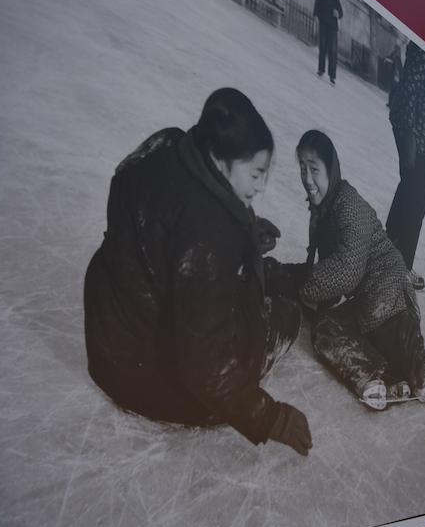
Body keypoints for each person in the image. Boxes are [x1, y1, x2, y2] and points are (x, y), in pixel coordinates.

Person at [84, 88, 311, 456]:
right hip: (150, 379)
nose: (261, 186)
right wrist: (271, 418)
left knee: (241, 291)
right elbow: (205, 362)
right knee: (284, 315)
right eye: (255, 173)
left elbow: (165, 214)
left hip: (110, 338)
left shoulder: (166, 144)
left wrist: (244, 229)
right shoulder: (208, 233)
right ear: (220, 158)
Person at [293, 130, 425, 410]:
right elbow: (329, 276)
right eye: (302, 168)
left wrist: (300, 286)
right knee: (324, 328)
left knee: (417, 369)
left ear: (330, 169)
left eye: (314, 169)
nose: (307, 179)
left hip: (391, 296)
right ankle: (378, 376)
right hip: (366, 304)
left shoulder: (348, 205)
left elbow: (346, 269)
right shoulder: (323, 209)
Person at [386, 41, 425, 291]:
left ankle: (388, 254)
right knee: (416, 202)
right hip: (415, 130)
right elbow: (409, 89)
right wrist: (409, 134)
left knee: (409, 190)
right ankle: (400, 268)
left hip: (420, 130)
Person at [313, 0, 343, 84]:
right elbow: (317, 2)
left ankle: (332, 76)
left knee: (333, 51)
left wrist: (338, 14)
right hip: (323, 22)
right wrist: (315, 15)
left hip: (333, 26)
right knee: (323, 47)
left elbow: (340, 11)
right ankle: (321, 70)